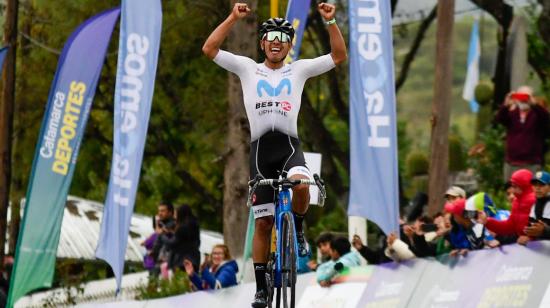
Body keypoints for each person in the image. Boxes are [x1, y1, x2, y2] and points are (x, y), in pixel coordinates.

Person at [202, 3, 347, 307]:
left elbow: (338, 56)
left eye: (283, 38)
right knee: (263, 223)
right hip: (259, 152)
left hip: (289, 147)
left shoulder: (299, 69)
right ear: (263, 43)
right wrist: (232, 18)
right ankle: (260, 288)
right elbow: (210, 48)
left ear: (289, 46)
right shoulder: (247, 68)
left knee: (302, 185)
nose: (277, 42)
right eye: (272, 37)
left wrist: (331, 21)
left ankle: (299, 226)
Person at [495, 86, 550, 180]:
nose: (524, 100)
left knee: (532, 192)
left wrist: (534, 104)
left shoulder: (537, 114)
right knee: (512, 192)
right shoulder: (512, 114)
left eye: (526, 97)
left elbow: (546, 119)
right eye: (520, 97)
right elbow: (500, 119)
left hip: (532, 163)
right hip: (512, 163)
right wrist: (506, 105)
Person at [479, 169, 536, 245]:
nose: (513, 190)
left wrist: (530, 238)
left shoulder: (536, 200)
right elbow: (509, 226)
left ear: (524, 186)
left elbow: (544, 227)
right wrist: (487, 221)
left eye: (515, 187)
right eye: (513, 186)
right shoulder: (517, 202)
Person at [157, 205, 201, 273]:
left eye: (175, 213)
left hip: (182, 260)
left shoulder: (182, 227)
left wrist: (161, 235)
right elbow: (183, 240)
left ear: (181, 214)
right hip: (194, 258)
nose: (174, 216)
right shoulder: (194, 225)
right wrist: (170, 233)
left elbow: (172, 243)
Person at [523, 171, 550, 241]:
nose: (537, 188)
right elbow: (530, 225)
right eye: (535, 185)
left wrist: (544, 230)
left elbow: (543, 230)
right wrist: (527, 235)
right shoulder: (535, 204)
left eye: (542, 185)